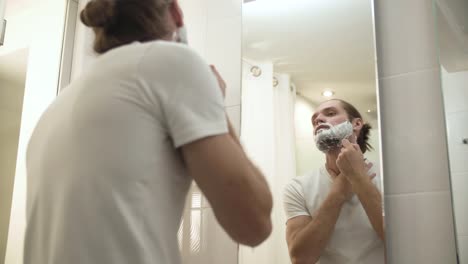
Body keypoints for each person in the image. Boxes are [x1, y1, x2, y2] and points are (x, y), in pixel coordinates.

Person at [23, 0, 273, 263]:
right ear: (176, 12)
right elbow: (254, 224)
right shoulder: (174, 62)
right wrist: (215, 106)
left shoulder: (58, 105)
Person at [283, 99, 385, 264]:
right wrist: (338, 193)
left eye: (330, 113)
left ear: (356, 124)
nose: (318, 120)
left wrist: (359, 181)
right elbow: (300, 259)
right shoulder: (298, 188)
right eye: (314, 120)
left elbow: (403, 243)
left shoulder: (389, 178)